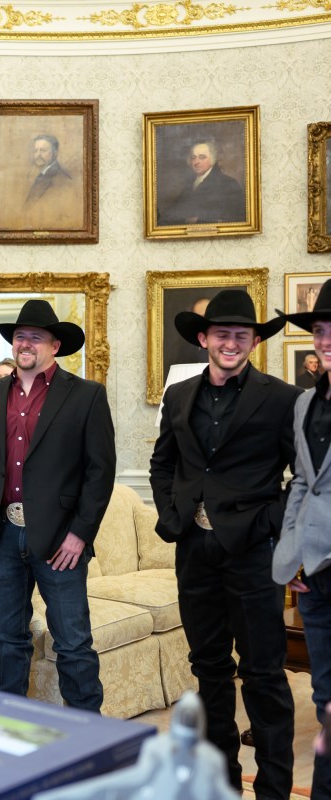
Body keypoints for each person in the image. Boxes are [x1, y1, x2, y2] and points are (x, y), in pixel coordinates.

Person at [150, 289, 297, 800]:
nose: (230, 342)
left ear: (254, 342)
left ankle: (274, 788)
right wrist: (173, 516)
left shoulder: (282, 398)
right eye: (221, 334)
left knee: (263, 675)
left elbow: (304, 477)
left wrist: (269, 524)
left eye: (241, 335)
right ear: (203, 338)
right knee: (209, 669)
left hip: (254, 554)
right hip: (195, 551)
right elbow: (163, 463)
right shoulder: (180, 394)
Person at [0, 299, 116, 712]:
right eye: (19, 336)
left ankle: (89, 737)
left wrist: (80, 534)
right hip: (0, 536)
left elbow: (99, 473)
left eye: (35, 336)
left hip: (60, 539)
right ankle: (9, 729)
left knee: (72, 641)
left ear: (55, 344)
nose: (24, 343)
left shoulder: (86, 395)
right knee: (8, 638)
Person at [274, 278, 331, 800]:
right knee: (326, 696)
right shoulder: (304, 405)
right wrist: (290, 559)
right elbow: (301, 485)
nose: (327, 338)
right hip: (313, 574)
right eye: (320, 328)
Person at [159, 139, 245, 226]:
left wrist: (199, 219)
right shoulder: (191, 184)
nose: (196, 162)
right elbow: (174, 211)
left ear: (213, 159)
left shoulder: (228, 183)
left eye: (202, 157)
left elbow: (238, 217)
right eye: (193, 157)